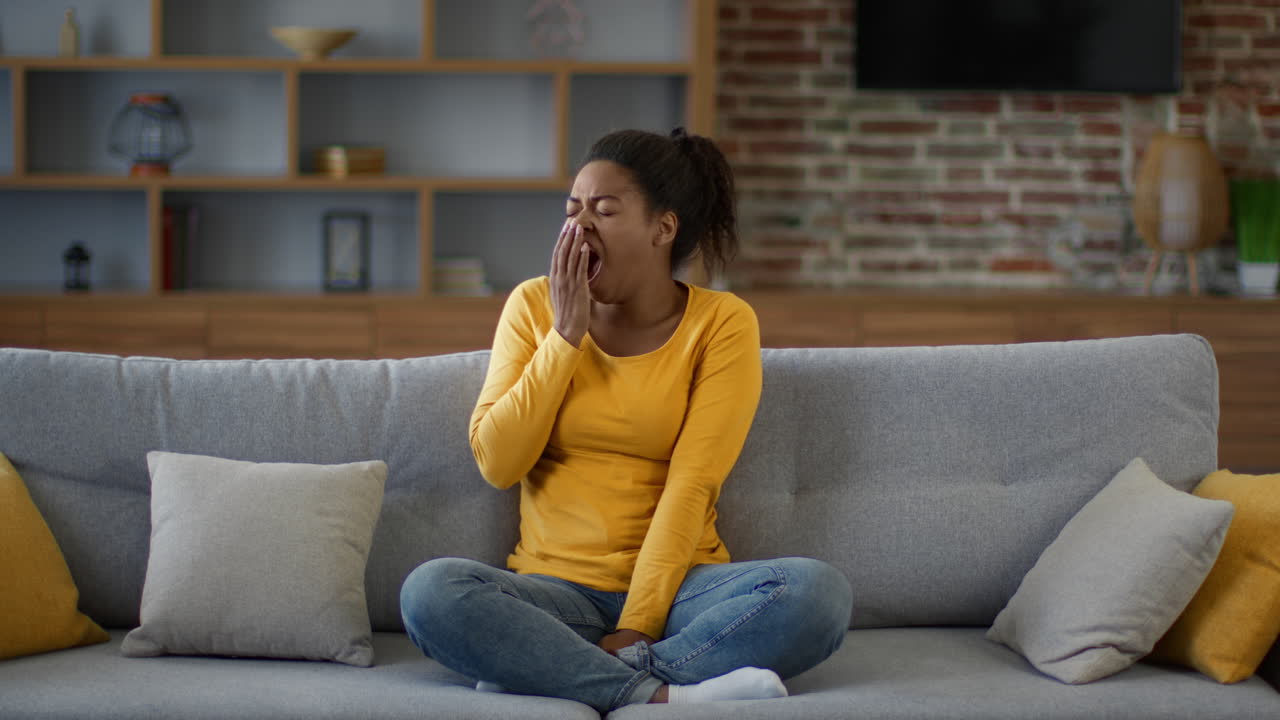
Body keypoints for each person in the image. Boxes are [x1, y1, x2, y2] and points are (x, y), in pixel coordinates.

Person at [400, 128, 853, 714]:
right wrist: (565, 337)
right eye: (573, 209)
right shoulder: (534, 306)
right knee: (430, 591)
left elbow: (693, 483)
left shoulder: (722, 323)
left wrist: (637, 624)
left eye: (605, 210)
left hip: (682, 591)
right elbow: (498, 463)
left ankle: (554, 670)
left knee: (817, 594)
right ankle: (665, 693)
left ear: (663, 228)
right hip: (554, 592)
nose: (579, 227)